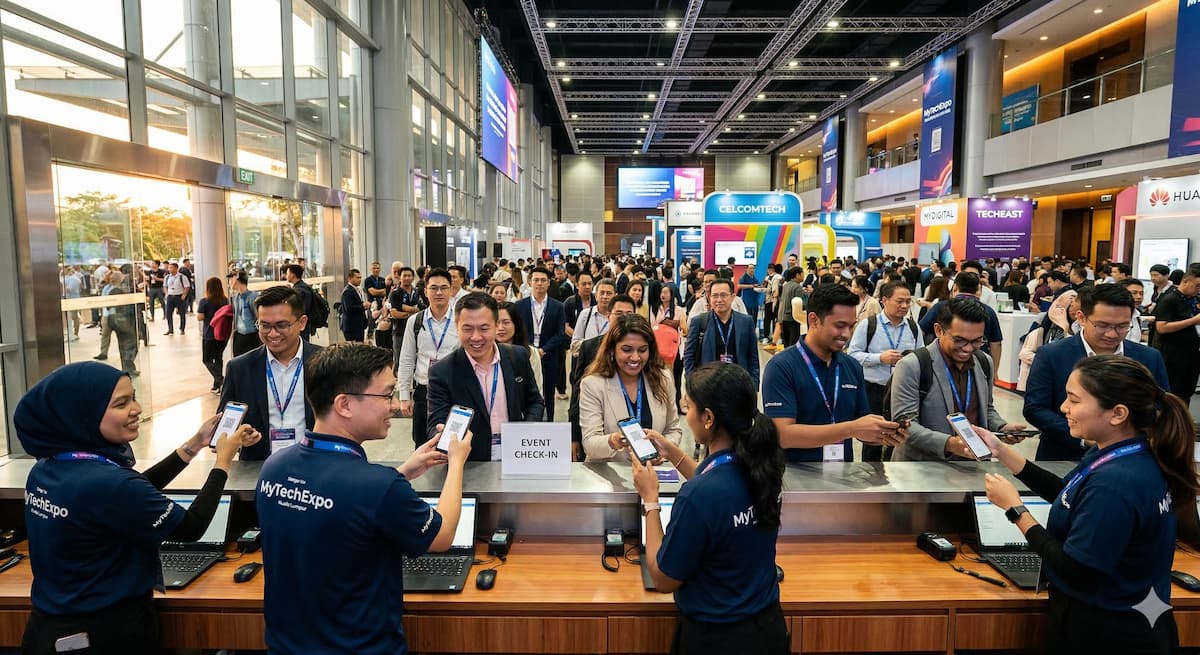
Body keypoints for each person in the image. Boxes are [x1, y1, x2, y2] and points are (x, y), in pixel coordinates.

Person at [17, 362, 259, 654]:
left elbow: (132, 491)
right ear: (84, 412)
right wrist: (223, 461)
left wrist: (194, 444)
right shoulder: (106, 483)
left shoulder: (49, 469)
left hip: (51, 628)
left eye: (133, 397)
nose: (137, 408)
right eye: (121, 403)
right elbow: (191, 526)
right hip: (102, 635)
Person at [257, 343, 471, 654]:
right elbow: (441, 535)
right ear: (344, 404)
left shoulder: (275, 467)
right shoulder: (376, 486)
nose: (395, 406)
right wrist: (457, 463)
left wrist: (403, 472)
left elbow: (340, 506)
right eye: (386, 395)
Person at [982, 356, 1197, 654]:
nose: (1063, 408)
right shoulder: (1123, 453)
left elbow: (1077, 570)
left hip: (1110, 633)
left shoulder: (1116, 482)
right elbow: (1069, 495)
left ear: (1118, 413)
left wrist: (1016, 511)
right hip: (1134, 619)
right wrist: (1002, 452)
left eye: (1074, 399)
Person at [633, 363, 788, 655]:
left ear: (708, 418)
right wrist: (674, 453)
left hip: (717, 640)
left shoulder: (697, 497)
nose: (685, 412)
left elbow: (663, 578)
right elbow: (719, 489)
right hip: (768, 631)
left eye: (688, 406)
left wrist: (650, 499)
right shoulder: (762, 468)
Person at [1025, 284, 1169, 461]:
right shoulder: (1052, 355)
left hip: (1131, 457)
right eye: (1102, 325)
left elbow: (1162, 406)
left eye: (1123, 326)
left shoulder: (1148, 357)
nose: (1112, 334)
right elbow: (1035, 408)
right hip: (1064, 456)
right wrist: (1084, 438)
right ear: (1081, 318)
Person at [762, 284, 904, 462]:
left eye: (851, 326)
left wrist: (885, 434)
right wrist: (850, 429)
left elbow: (860, 427)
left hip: (841, 478)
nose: (846, 334)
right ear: (813, 320)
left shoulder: (852, 366)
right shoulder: (782, 367)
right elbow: (783, 435)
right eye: (839, 326)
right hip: (795, 478)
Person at [890, 298, 1025, 461]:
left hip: (973, 466)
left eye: (977, 341)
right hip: (923, 469)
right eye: (959, 340)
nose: (968, 348)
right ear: (939, 330)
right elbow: (905, 425)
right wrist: (950, 444)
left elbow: (986, 409)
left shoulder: (984, 362)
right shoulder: (913, 365)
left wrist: (1002, 427)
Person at [426, 293, 545, 461]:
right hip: (470, 464)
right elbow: (435, 423)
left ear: (496, 326)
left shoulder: (517, 356)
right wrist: (442, 435)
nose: (476, 337)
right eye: (467, 329)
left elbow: (535, 401)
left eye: (484, 328)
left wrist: (524, 431)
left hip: (516, 457)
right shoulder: (442, 372)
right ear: (456, 326)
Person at [219, 285, 322, 460]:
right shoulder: (239, 368)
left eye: (281, 325)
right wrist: (240, 437)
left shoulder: (326, 361)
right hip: (260, 468)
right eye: (264, 325)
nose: (273, 334)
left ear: (302, 323)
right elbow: (224, 428)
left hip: (315, 464)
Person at [580, 314, 683, 462]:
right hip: (610, 476)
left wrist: (662, 451)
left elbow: (673, 429)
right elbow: (590, 443)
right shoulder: (593, 384)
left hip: (653, 475)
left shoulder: (663, 378)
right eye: (627, 350)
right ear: (612, 350)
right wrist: (612, 441)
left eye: (642, 350)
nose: (635, 358)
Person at [848, 281, 922, 461]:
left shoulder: (913, 327)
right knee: (873, 438)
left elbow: (922, 357)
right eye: (899, 301)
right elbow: (852, 355)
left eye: (908, 301)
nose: (904, 306)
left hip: (902, 393)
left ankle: (893, 480)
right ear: (884, 300)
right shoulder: (868, 325)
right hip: (874, 390)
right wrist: (880, 358)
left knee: (898, 437)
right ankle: (869, 480)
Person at [569, 294, 638, 461]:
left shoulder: (640, 350)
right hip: (597, 433)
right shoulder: (590, 346)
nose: (624, 319)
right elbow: (577, 393)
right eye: (619, 314)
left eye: (629, 314)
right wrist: (574, 437)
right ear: (609, 316)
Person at [397, 268, 459, 449]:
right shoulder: (415, 321)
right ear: (425, 291)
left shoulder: (460, 320)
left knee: (452, 444)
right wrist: (404, 395)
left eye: (443, 288)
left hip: (454, 392)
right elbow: (407, 358)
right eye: (433, 288)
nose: (438, 292)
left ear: (451, 290)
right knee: (422, 445)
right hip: (424, 392)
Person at [683, 278, 760, 387]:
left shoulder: (746, 322)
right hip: (708, 385)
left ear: (733, 297)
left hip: (739, 384)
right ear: (709, 298)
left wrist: (754, 385)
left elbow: (753, 357)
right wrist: (691, 384)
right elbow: (689, 356)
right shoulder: (699, 322)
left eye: (723, 295)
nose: (719, 300)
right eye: (715, 296)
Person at [513, 266, 567, 420]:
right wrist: (528, 350)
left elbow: (560, 333)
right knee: (524, 392)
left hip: (548, 357)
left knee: (548, 394)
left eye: (543, 280)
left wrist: (543, 350)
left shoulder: (558, 306)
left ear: (549, 283)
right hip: (525, 356)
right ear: (530, 282)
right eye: (536, 280)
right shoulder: (519, 306)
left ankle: (548, 426)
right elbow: (516, 331)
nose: (539, 283)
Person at [918, 272, 1003, 365]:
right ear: (978, 290)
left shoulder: (941, 307)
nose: (967, 347)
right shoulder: (988, 311)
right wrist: (994, 370)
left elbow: (920, 331)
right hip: (977, 363)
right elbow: (996, 343)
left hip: (942, 361)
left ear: (954, 288)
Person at [1152, 263, 1200, 403]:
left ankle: (1183, 421)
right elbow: (1162, 327)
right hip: (1173, 356)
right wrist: (1193, 321)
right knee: (1173, 393)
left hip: (1191, 354)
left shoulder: (1193, 299)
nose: (1198, 289)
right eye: (1197, 285)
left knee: (1187, 391)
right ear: (1185, 281)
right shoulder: (1170, 299)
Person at [497, 300, 543, 391]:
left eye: (506, 322)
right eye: (496, 323)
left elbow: (537, 391)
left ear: (516, 324)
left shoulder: (531, 353)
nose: (500, 328)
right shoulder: (486, 353)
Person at [196, 277, 230, 392]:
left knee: (207, 360)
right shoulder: (225, 300)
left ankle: (220, 380)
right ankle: (217, 385)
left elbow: (200, 317)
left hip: (210, 334)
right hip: (222, 334)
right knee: (218, 357)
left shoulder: (205, 301)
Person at [571, 278, 617, 351]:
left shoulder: (618, 317)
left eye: (609, 293)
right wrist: (593, 345)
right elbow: (574, 344)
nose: (605, 297)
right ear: (596, 296)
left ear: (615, 296)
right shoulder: (585, 314)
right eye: (602, 293)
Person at [229, 271, 262, 357]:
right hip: (239, 336)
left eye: (231, 279)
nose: (230, 282)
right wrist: (232, 333)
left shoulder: (253, 297)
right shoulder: (235, 298)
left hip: (252, 336)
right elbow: (234, 316)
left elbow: (259, 316)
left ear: (237, 280)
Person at [285, 264, 317, 340]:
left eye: (287, 273)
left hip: (300, 326)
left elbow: (299, 310)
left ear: (293, 275)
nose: (286, 276)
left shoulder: (299, 291)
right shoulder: (304, 287)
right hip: (304, 324)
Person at [339, 268, 369, 343]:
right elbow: (349, 308)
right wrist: (363, 306)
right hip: (352, 327)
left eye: (360, 277)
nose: (359, 280)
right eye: (357, 278)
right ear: (350, 278)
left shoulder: (356, 289)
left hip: (358, 326)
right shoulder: (348, 291)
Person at [162, 261, 190, 336]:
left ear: (176, 268)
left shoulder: (182, 276)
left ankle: (182, 328)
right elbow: (165, 286)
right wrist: (166, 294)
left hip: (179, 296)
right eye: (169, 268)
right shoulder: (167, 277)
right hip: (170, 296)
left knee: (182, 313)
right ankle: (170, 329)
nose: (169, 269)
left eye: (171, 267)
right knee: (168, 314)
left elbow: (187, 286)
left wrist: (184, 295)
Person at [737, 263, 761, 329]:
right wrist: (751, 286)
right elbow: (739, 286)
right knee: (748, 317)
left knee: (755, 317)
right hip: (747, 301)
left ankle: (753, 330)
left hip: (755, 300)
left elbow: (756, 285)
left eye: (753, 268)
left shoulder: (754, 278)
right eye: (750, 268)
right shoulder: (744, 277)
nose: (752, 270)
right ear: (747, 269)